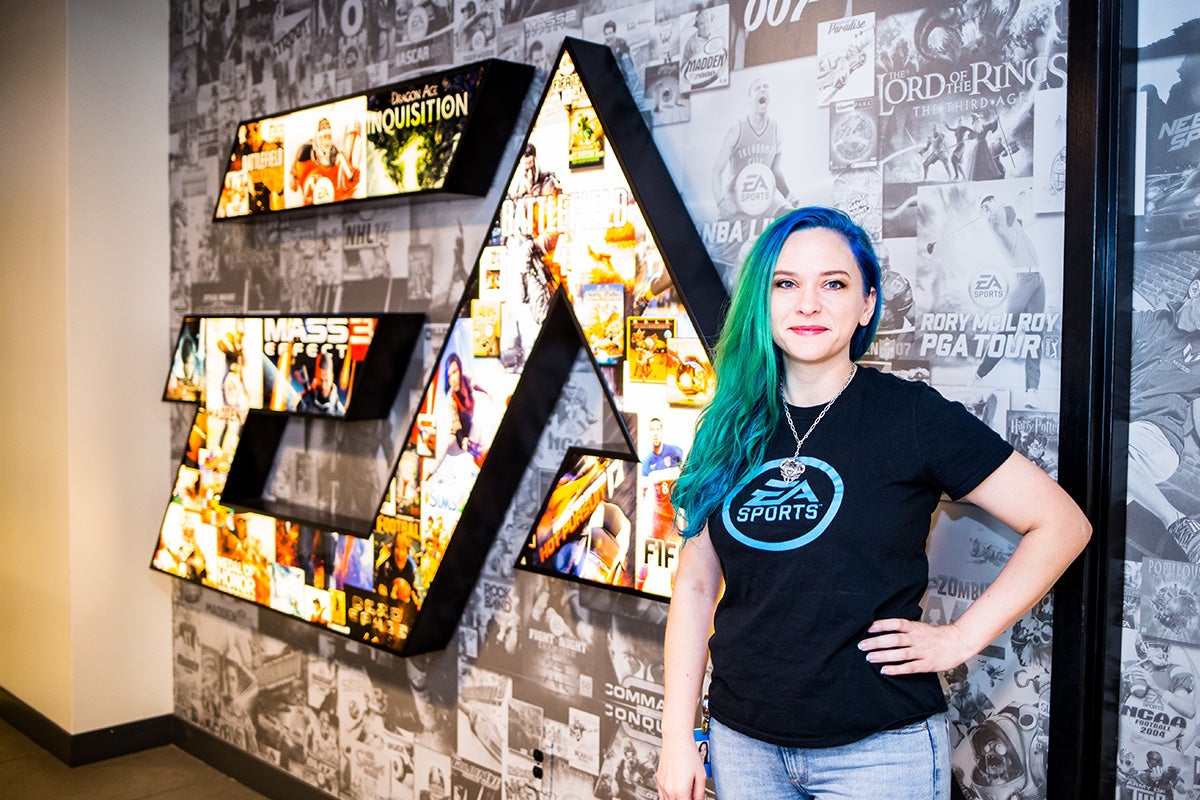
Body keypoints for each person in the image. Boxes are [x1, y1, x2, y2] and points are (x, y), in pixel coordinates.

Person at [656, 207, 1090, 799]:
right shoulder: (729, 425)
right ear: (764, 300)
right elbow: (696, 586)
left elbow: (1061, 524)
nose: (808, 304)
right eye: (787, 283)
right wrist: (677, 737)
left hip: (880, 753)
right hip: (743, 744)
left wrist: (960, 639)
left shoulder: (911, 416)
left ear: (866, 306)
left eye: (833, 284)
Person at [1126, 269, 1200, 562]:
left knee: (1109, 447)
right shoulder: (1146, 322)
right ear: (1195, 290)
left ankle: (1176, 521)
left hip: (1160, 441)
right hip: (1126, 429)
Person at [971, 193, 1045, 408]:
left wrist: (1024, 198)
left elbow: (1024, 218)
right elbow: (1010, 209)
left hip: (1037, 278)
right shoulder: (996, 220)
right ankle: (979, 373)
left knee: (1035, 334)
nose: (989, 206)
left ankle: (1032, 390)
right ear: (984, 213)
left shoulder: (1010, 219)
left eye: (990, 201)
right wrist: (1018, 197)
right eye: (984, 206)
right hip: (1021, 279)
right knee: (1006, 332)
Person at [641, 418, 685, 541]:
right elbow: (643, 495)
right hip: (660, 517)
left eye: (657, 429)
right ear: (649, 433)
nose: (655, 433)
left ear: (661, 431)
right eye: (652, 430)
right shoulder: (647, 462)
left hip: (677, 513)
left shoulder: (675, 452)